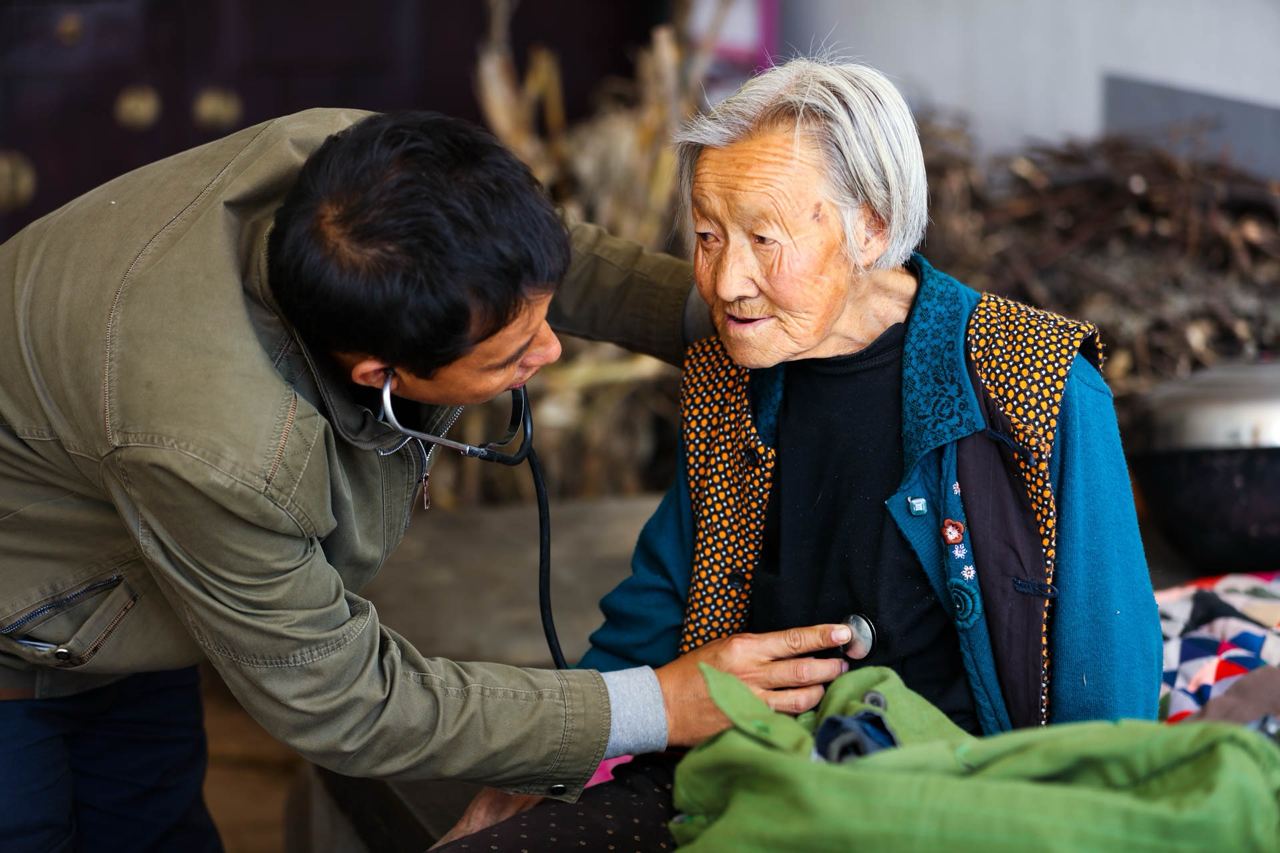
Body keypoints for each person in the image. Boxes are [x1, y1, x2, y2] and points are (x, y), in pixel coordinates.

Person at [0, 109, 856, 852]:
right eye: (512, 355)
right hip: (22, 623)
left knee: (151, 824)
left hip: (115, 589)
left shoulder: (360, 171)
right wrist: (653, 705)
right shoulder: (216, 448)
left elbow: (550, 263)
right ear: (381, 374)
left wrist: (744, 312)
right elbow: (341, 697)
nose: (550, 350)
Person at [437, 57, 1162, 850]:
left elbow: (1109, 693)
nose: (727, 281)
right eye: (709, 236)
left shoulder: (1032, 384)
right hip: (742, 768)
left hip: (946, 796)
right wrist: (540, 762)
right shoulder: (729, 371)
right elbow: (662, 597)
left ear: (872, 227)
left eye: (763, 237)